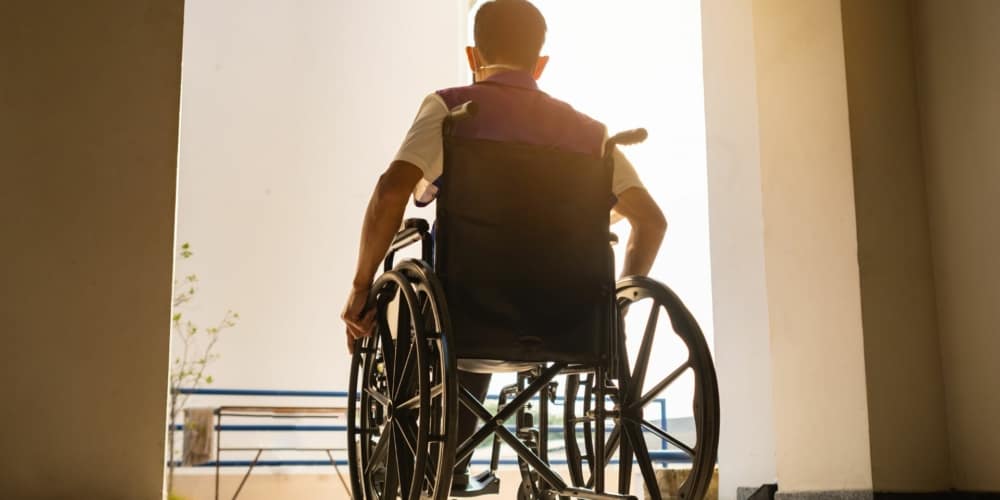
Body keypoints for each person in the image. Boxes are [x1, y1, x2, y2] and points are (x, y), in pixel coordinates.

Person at [341, 0, 666, 488]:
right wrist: (612, 308)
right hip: (571, 319)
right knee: (473, 304)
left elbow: (390, 192)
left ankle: (433, 466)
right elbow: (651, 222)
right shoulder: (592, 135)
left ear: (474, 57)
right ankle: (463, 466)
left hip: (473, 309)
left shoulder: (451, 107)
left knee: (449, 309)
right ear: (541, 64)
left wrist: (360, 286)